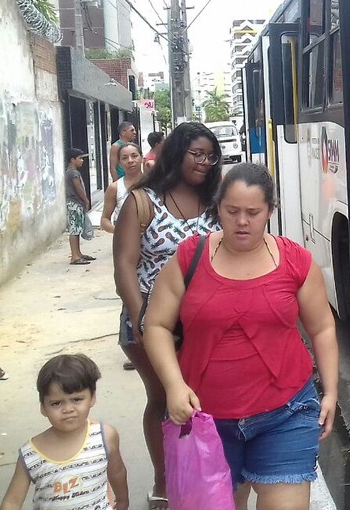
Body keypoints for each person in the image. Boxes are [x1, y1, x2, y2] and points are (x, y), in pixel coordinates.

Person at [144, 162, 338, 509]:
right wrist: (174, 385)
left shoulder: (296, 262)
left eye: (253, 212)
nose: (242, 221)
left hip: (286, 413)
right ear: (218, 207)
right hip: (204, 420)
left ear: (269, 212)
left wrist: (331, 392)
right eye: (232, 211)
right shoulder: (191, 255)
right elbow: (156, 324)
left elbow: (322, 327)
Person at [112, 121, 222, 510]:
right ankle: (164, 480)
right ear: (177, 153)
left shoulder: (215, 200)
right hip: (148, 315)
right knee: (162, 397)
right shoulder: (142, 200)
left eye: (211, 156)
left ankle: (199, 472)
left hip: (203, 320)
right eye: (197, 154)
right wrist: (142, 321)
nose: (205, 162)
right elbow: (124, 266)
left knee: (201, 398)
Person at [0, 353, 128, 510]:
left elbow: (117, 472)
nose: (68, 409)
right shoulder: (31, 454)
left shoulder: (105, 436)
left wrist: (122, 500)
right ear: (43, 407)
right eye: (56, 403)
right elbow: (12, 502)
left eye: (77, 399)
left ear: (92, 397)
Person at [100, 143, 143, 233]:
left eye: (134, 156)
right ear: (119, 162)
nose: (130, 161)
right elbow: (104, 219)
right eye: (124, 158)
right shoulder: (115, 188)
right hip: (126, 243)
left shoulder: (155, 184)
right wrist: (119, 233)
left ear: (142, 158)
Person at [65, 148, 94, 266]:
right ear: (72, 160)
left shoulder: (70, 172)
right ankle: (75, 256)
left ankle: (78, 253)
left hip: (73, 203)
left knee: (77, 229)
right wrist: (86, 200)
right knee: (74, 229)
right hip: (74, 203)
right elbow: (79, 188)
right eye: (80, 158)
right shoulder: (73, 173)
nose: (82, 161)